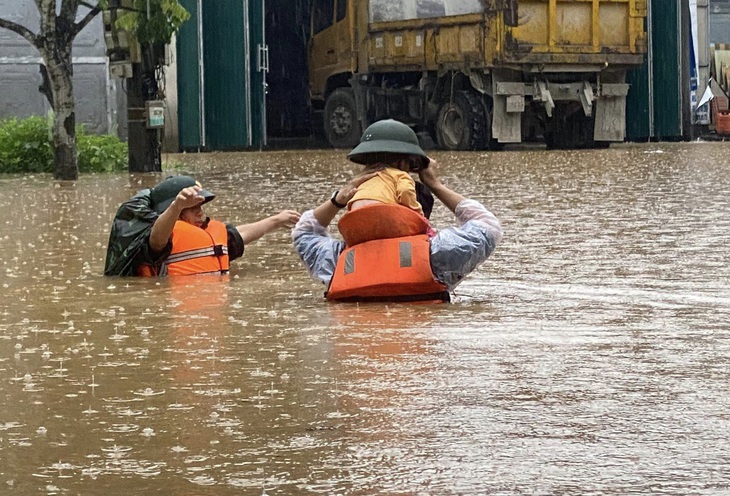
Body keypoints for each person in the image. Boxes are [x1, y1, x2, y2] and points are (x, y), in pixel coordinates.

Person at [292, 119, 503, 302]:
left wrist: (337, 200)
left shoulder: (337, 262)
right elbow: (489, 226)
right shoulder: (437, 255)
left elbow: (303, 232)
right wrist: (435, 185)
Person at [104, 175, 300, 276]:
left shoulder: (206, 234)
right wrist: (177, 206)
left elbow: (238, 235)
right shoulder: (159, 242)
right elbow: (156, 240)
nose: (200, 212)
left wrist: (276, 220)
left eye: (201, 206)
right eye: (192, 208)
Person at [345, 119, 429, 216]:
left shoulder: (361, 180)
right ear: (401, 163)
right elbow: (406, 191)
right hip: (383, 212)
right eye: (409, 164)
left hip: (355, 211)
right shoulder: (400, 175)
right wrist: (418, 213)